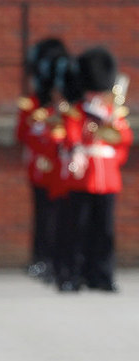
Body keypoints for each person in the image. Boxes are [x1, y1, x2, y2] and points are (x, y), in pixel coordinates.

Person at [57, 47, 132, 292]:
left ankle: (102, 275)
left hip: (107, 179)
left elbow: (124, 139)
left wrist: (109, 125)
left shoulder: (112, 113)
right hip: (83, 179)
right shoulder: (77, 112)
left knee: (105, 232)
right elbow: (70, 135)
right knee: (77, 230)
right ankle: (73, 275)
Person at [16, 38, 68, 283]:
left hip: (60, 171)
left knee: (60, 218)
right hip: (40, 170)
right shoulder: (33, 106)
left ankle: (57, 259)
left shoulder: (64, 109)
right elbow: (23, 135)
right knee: (42, 217)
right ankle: (40, 258)